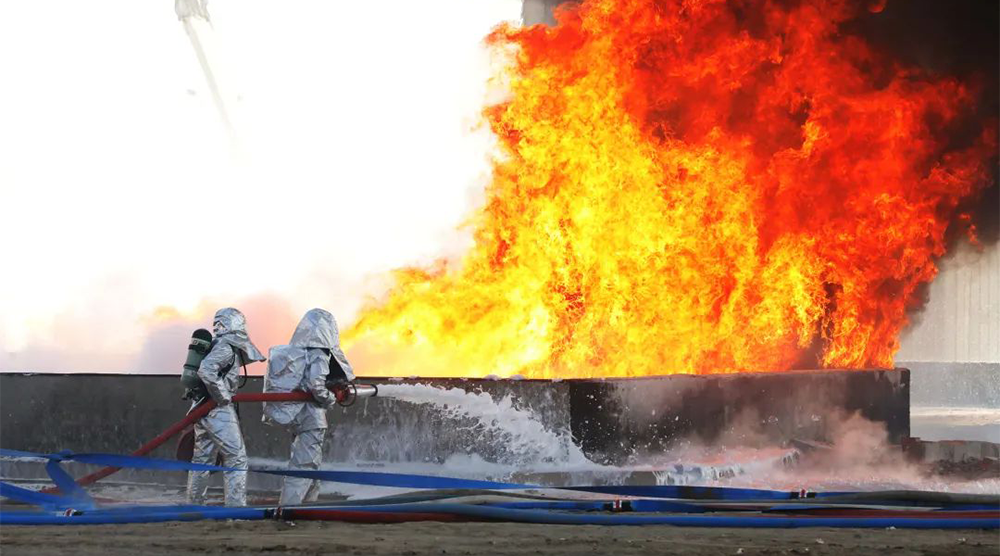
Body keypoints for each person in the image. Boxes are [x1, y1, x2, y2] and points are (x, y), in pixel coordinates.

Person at [263, 308, 355, 506]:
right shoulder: (319, 353)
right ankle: (289, 509)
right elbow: (316, 385)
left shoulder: (297, 353)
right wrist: (330, 399)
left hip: (297, 414)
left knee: (313, 466)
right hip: (311, 417)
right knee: (304, 465)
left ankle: (309, 508)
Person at [187, 307, 265, 507]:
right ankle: (236, 509)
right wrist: (223, 398)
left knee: (202, 461)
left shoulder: (216, 345)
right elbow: (206, 371)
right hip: (217, 410)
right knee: (236, 459)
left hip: (203, 408)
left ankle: (195, 506)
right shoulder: (224, 347)